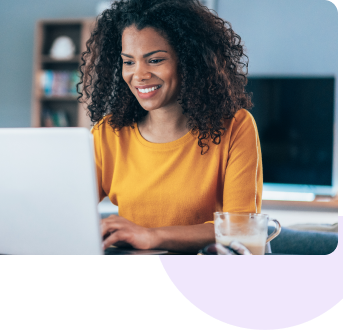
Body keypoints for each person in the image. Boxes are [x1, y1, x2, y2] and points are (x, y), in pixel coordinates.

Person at [78, 0, 260, 254]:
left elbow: (241, 230)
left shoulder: (235, 126)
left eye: (154, 60)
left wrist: (151, 236)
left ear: (189, 61)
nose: (138, 74)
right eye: (128, 62)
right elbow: (69, 209)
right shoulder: (108, 132)